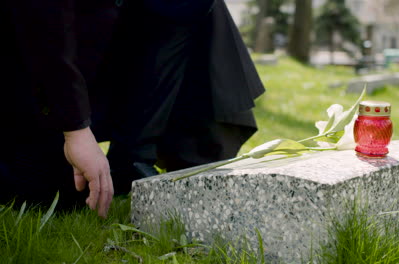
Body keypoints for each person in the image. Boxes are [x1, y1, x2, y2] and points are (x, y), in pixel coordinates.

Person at [0, 0, 264, 218]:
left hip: (98, 61)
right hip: (31, 65)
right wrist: (75, 129)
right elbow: (41, 19)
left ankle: (134, 161)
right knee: (47, 196)